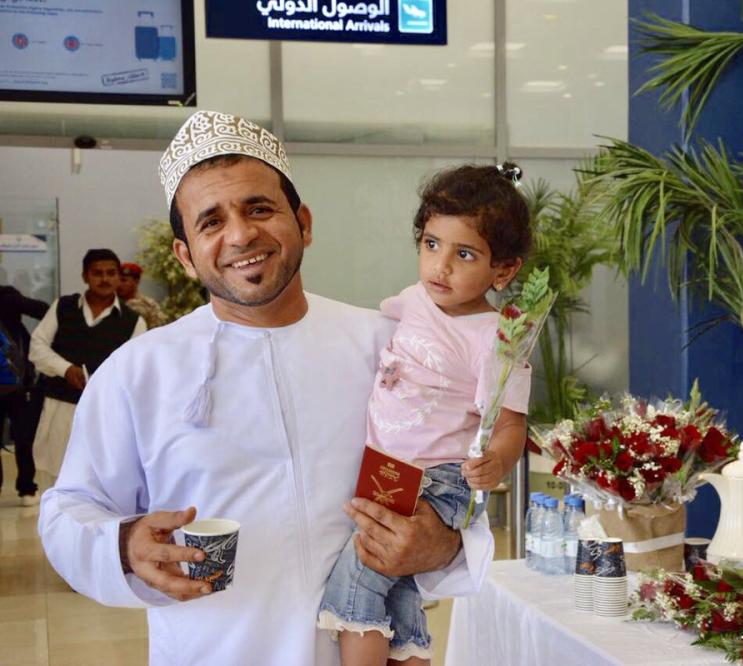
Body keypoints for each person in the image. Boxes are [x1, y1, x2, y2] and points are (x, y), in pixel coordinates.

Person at [37, 110, 492, 666]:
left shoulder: (391, 348)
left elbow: (457, 478)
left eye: (259, 209)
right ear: (185, 256)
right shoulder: (138, 372)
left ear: (303, 223)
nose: (240, 234)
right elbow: (70, 509)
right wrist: (126, 544)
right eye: (211, 222)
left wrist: (442, 543)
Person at [318, 163, 532, 664]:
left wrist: (497, 462)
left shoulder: (498, 339)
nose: (441, 266)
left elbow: (511, 424)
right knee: (399, 594)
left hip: (436, 479)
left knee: (359, 577)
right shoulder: (412, 300)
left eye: (464, 254)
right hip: (389, 470)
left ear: (503, 271)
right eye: (432, 245)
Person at [29, 249, 146, 477]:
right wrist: (65, 369)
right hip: (60, 407)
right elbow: (37, 347)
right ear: (85, 276)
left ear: (118, 277)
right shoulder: (63, 307)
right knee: (55, 477)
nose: (105, 279)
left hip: (106, 413)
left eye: (111, 273)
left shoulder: (133, 321)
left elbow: (137, 370)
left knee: (101, 478)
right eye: (97, 273)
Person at [0, 285, 49, 505]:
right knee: (24, 438)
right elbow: (43, 310)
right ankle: (27, 489)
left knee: (23, 438)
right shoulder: (8, 299)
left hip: (17, 383)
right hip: (19, 386)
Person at [118, 262, 168, 328]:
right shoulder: (110, 303)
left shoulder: (149, 305)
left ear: (136, 281)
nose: (119, 284)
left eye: (124, 280)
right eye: (117, 280)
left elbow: (158, 328)